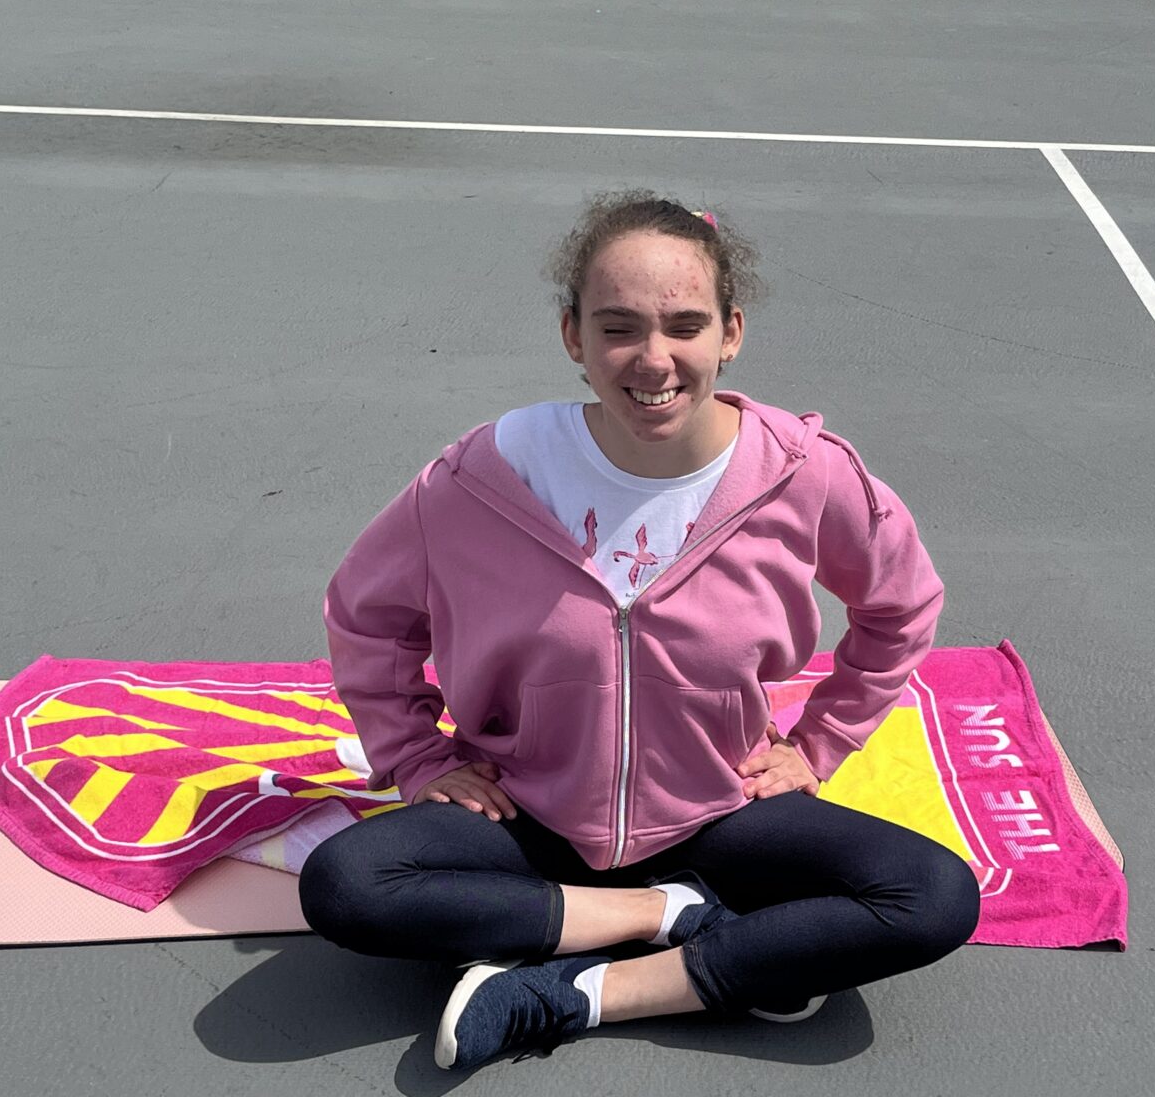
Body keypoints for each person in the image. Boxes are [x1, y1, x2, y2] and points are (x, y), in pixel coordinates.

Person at [299, 190, 980, 1071]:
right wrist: (419, 759)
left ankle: (576, 992)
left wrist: (819, 744)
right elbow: (367, 614)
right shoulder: (482, 477)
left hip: (716, 811)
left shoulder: (804, 476)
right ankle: (672, 918)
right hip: (527, 813)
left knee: (933, 897)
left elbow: (902, 605)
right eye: (617, 327)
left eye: (685, 325)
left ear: (730, 333)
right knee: (346, 885)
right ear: (572, 336)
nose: (653, 358)